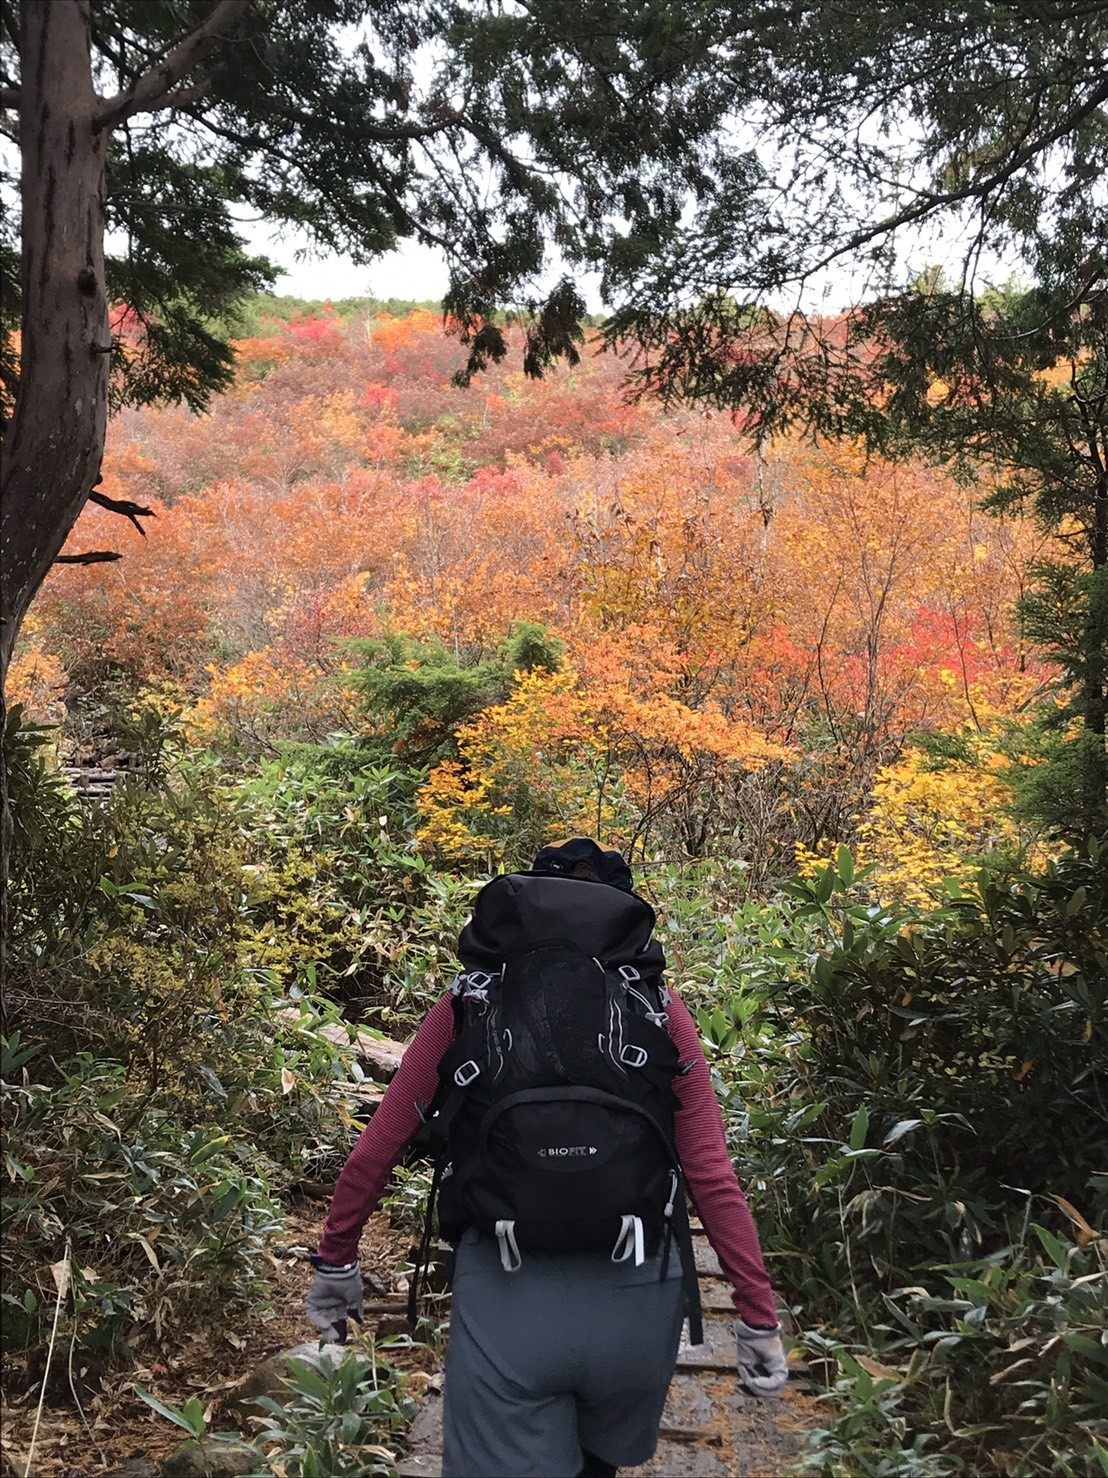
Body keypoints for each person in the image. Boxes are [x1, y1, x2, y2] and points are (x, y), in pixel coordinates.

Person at [306, 839, 787, 1478]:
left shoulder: (468, 1004)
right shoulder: (660, 1011)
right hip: (638, 1299)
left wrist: (336, 1260)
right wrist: (756, 1315)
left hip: (508, 1295)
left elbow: (379, 1146)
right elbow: (710, 1174)